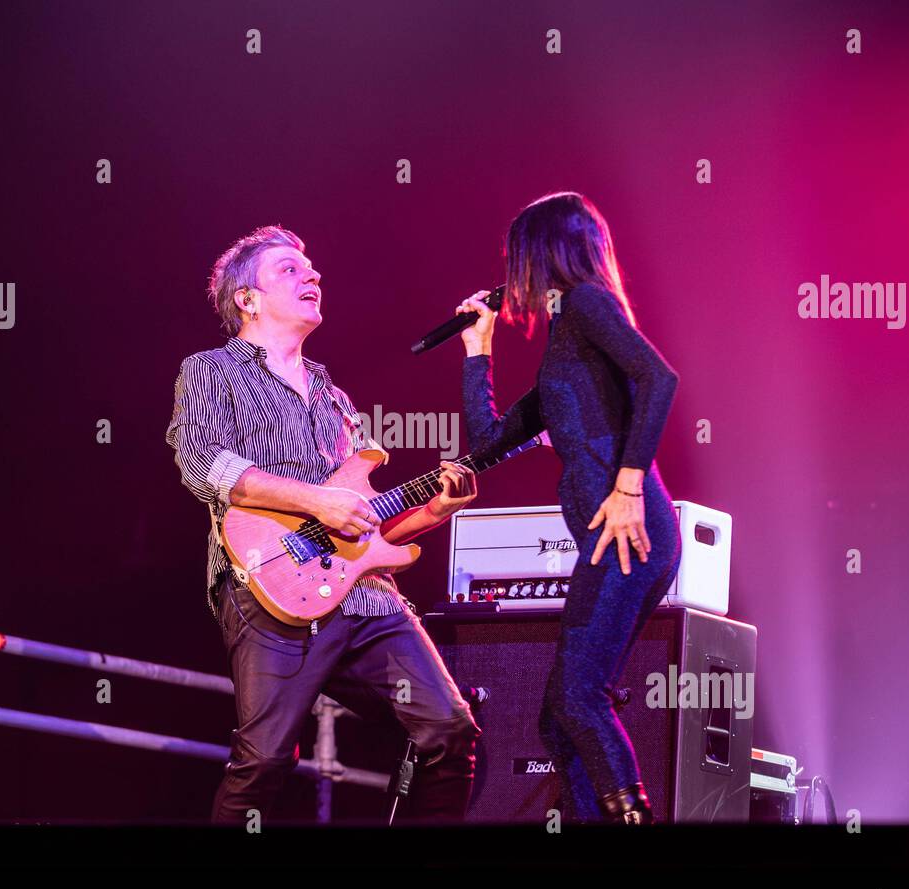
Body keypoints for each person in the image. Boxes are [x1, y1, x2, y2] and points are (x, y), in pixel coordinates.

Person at [166, 225, 481, 824]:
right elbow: (203, 461)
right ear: (247, 299)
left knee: (447, 728)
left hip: (362, 599)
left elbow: (367, 530)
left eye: (311, 269)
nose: (312, 276)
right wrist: (316, 501)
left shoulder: (334, 398)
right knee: (264, 762)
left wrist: (436, 510)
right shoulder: (212, 371)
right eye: (289, 270)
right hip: (265, 584)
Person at [455, 192, 681, 824]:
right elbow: (490, 441)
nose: (509, 270)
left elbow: (659, 378)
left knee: (580, 699)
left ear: (543, 251)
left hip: (630, 531)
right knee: (562, 715)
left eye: (515, 255)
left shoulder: (585, 303)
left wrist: (629, 486)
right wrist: (479, 349)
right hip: (608, 540)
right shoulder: (564, 338)